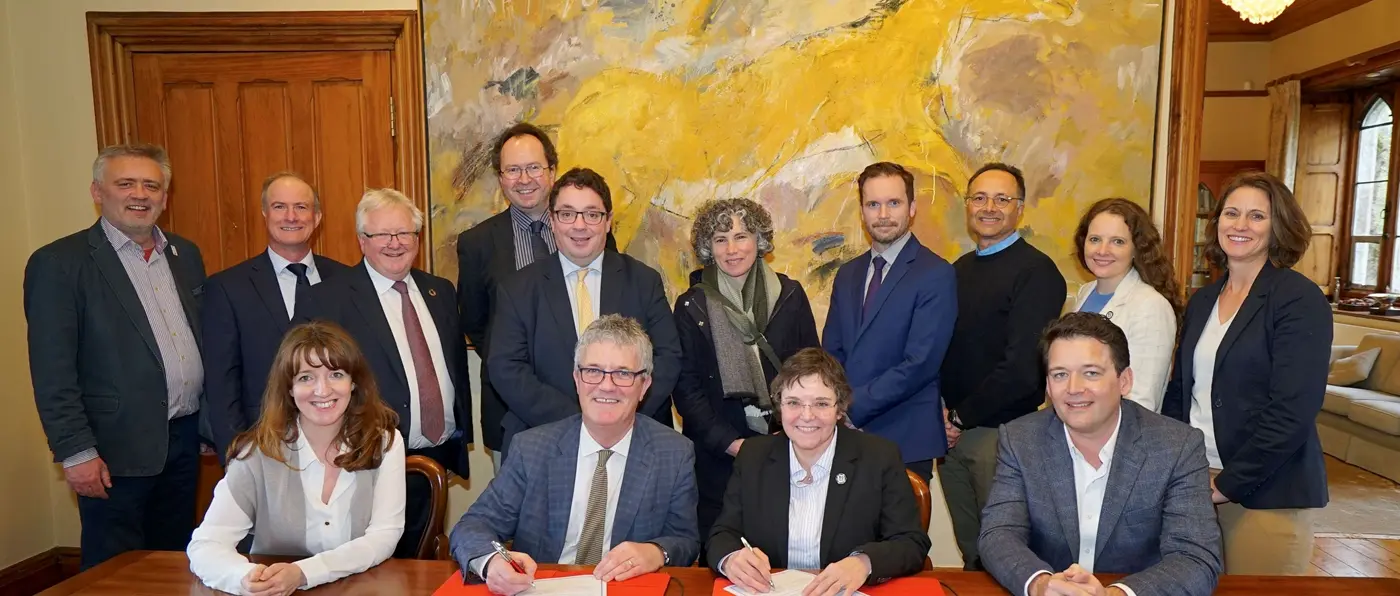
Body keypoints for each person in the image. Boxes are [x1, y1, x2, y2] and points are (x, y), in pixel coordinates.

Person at [25, 143, 206, 569]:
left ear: (165, 195)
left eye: (151, 185)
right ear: (97, 191)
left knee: (174, 562)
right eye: (125, 184)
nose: (139, 194)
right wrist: (76, 452)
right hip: (112, 451)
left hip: (184, 440)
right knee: (116, 570)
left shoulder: (185, 255)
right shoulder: (60, 263)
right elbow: (53, 371)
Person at [450, 315, 699, 596]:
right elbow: (471, 526)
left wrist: (657, 551)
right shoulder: (532, 449)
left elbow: (685, 540)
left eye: (623, 373)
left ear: (644, 385)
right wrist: (492, 562)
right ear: (577, 379)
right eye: (593, 371)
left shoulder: (674, 453)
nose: (607, 385)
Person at [979, 312, 1222, 596]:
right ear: (1047, 386)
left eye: (1091, 373)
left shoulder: (1176, 446)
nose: (1074, 389)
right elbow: (999, 534)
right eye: (1060, 375)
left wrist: (1115, 595)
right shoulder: (1021, 439)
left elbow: (1195, 557)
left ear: (1124, 381)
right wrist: (1042, 584)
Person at [1162, 171, 1331, 575]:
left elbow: (1292, 411)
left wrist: (1225, 485)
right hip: (1196, 481)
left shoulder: (1298, 299)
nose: (1240, 225)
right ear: (1216, 221)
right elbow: (1181, 393)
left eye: (1257, 216)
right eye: (1231, 213)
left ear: (1278, 228)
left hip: (1268, 492)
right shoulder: (1203, 300)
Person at [297, 188, 471, 558]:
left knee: (423, 564)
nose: (395, 244)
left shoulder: (439, 291)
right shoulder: (328, 298)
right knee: (373, 565)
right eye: (382, 235)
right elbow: (310, 382)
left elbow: (454, 365)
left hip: (435, 458)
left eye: (404, 233)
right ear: (362, 240)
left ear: (417, 240)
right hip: (366, 462)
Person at [188, 321, 405, 595]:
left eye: (336, 374)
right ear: (289, 388)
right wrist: (247, 578)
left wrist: (304, 573)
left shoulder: (385, 441)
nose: (323, 390)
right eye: (306, 378)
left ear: (354, 383)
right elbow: (205, 545)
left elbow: (385, 535)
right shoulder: (255, 453)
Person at [456, 123, 617, 469]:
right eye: (512, 170)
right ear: (500, 178)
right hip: (515, 412)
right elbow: (476, 321)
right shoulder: (476, 244)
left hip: (603, 404)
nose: (524, 179)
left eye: (533, 168)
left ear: (552, 171)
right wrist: (522, 373)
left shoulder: (588, 232)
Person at [489, 167, 681, 455]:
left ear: (608, 222)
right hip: (543, 440)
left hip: (634, 437)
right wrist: (580, 423)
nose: (580, 226)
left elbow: (667, 358)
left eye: (592, 214)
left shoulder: (643, 281)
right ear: (552, 221)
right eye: (567, 214)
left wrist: (619, 416)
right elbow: (506, 369)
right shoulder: (517, 288)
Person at [708, 348, 930, 596]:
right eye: (793, 403)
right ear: (780, 406)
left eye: (821, 404)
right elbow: (722, 534)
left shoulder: (879, 457)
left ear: (840, 409)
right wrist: (731, 559)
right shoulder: (753, 455)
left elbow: (911, 543)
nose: (807, 416)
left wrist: (864, 563)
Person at [939, 162, 1066, 570]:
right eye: (979, 197)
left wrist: (958, 418)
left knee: (1008, 557)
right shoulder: (958, 270)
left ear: (1020, 209)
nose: (989, 207)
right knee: (972, 553)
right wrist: (943, 416)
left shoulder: (1037, 272)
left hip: (1000, 437)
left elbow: (1023, 368)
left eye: (1002, 199)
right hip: (952, 438)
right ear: (968, 206)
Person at [672, 198, 820, 547]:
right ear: (708, 248)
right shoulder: (691, 304)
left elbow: (812, 372)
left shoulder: (791, 294)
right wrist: (732, 444)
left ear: (759, 240)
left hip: (786, 451)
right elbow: (686, 388)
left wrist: (788, 436)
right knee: (721, 558)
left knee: (784, 557)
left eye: (741, 236)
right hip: (718, 459)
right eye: (720, 239)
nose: (732, 249)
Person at [822, 161, 957, 482]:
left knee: (900, 533)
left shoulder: (936, 273)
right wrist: (836, 407)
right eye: (873, 204)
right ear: (862, 211)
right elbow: (832, 350)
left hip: (905, 436)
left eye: (893, 203)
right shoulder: (848, 274)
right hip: (845, 437)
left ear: (911, 208)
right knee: (847, 533)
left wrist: (853, 406)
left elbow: (921, 362)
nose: (883, 214)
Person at [203, 172, 350, 459]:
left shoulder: (346, 280)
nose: (291, 216)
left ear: (317, 217)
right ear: (265, 214)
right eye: (280, 207)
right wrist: (238, 454)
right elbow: (222, 383)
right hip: (260, 445)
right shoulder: (227, 287)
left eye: (302, 207)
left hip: (338, 445)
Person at [1070, 198, 1179, 412]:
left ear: (1137, 249)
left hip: (1118, 439)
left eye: (1117, 241)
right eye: (1094, 239)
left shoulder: (1151, 306)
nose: (1102, 250)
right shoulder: (1085, 292)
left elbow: (1141, 401)